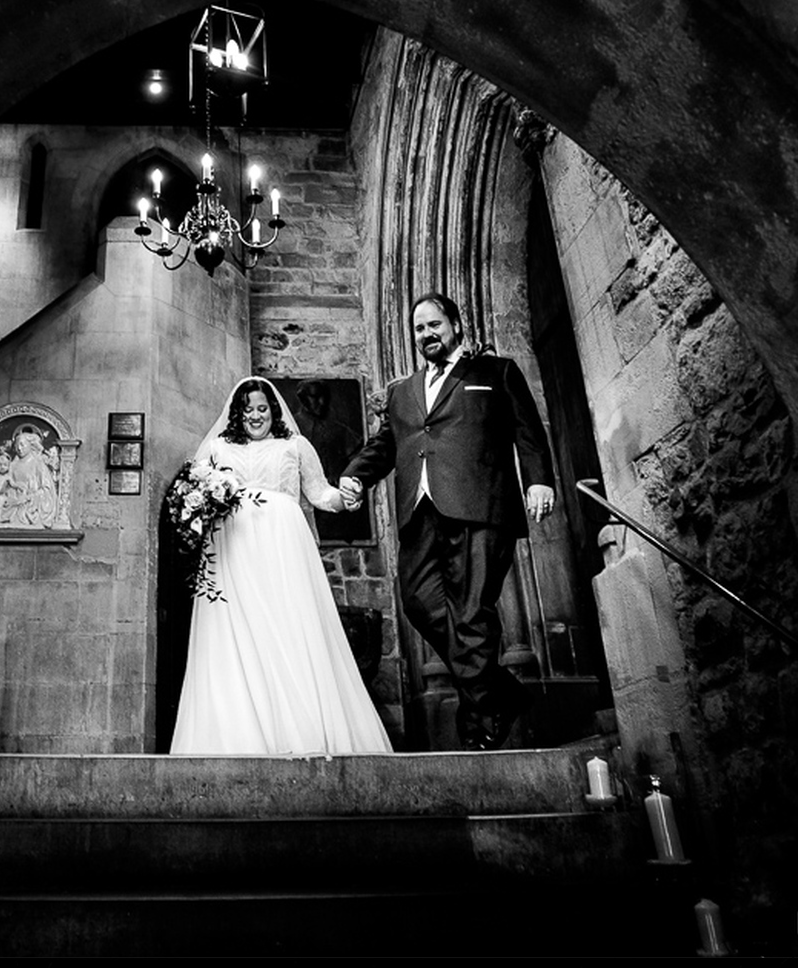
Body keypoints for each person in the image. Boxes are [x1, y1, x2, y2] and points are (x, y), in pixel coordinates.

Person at [340, 293, 556, 751]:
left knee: (472, 612)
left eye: (435, 325)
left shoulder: (495, 372)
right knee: (419, 603)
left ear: (456, 324)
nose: (427, 335)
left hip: (481, 507)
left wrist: (539, 481)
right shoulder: (403, 391)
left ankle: (479, 725)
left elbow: (527, 432)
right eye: (419, 329)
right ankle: (501, 692)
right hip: (419, 513)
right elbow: (385, 445)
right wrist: (355, 476)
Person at [169, 378, 393, 755]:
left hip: (284, 549)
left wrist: (347, 500)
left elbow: (320, 494)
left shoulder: (296, 446)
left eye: (263, 408)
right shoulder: (216, 448)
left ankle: (300, 731)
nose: (256, 415)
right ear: (236, 413)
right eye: (248, 409)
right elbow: (194, 490)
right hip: (233, 550)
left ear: (274, 410)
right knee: (236, 635)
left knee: (289, 629)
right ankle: (239, 734)